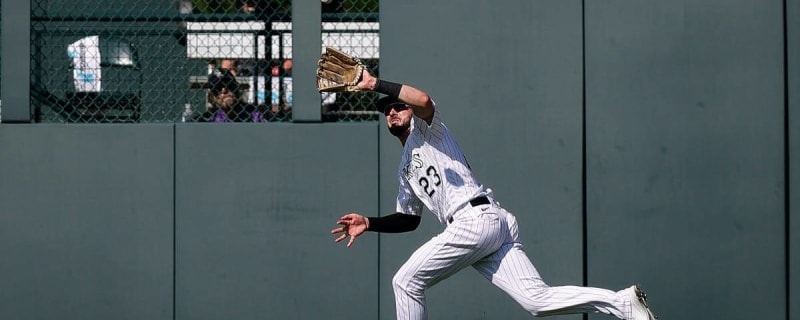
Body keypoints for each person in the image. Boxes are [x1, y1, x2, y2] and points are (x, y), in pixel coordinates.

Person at [330, 70, 658, 320]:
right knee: (537, 301)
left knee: (405, 282)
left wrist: (376, 85)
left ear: (409, 111)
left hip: (474, 220)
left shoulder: (429, 131)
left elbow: (425, 100)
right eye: (386, 110)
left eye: (398, 106)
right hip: (491, 228)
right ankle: (622, 303)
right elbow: (409, 219)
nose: (392, 111)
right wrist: (369, 222)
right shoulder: (405, 168)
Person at [198, 70, 264, 122]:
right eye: (218, 87)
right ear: (212, 96)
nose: (224, 90)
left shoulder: (253, 114)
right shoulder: (210, 118)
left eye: (228, 85)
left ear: (235, 88)